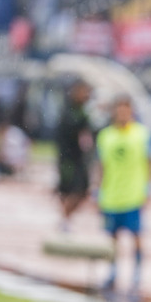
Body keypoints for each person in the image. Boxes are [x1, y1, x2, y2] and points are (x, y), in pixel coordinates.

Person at [95, 96, 151, 300]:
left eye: (125, 110)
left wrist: (149, 187)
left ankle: (137, 275)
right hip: (111, 195)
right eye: (119, 110)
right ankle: (112, 272)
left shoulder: (141, 134)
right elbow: (101, 165)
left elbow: (150, 161)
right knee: (112, 240)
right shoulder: (105, 136)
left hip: (133, 195)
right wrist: (98, 190)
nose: (122, 114)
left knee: (136, 237)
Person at [55, 80, 93, 232]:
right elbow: (72, 130)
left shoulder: (83, 111)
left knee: (82, 191)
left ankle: (66, 218)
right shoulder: (69, 111)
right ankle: (65, 219)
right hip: (68, 159)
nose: (86, 95)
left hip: (79, 159)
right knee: (70, 191)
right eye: (83, 92)